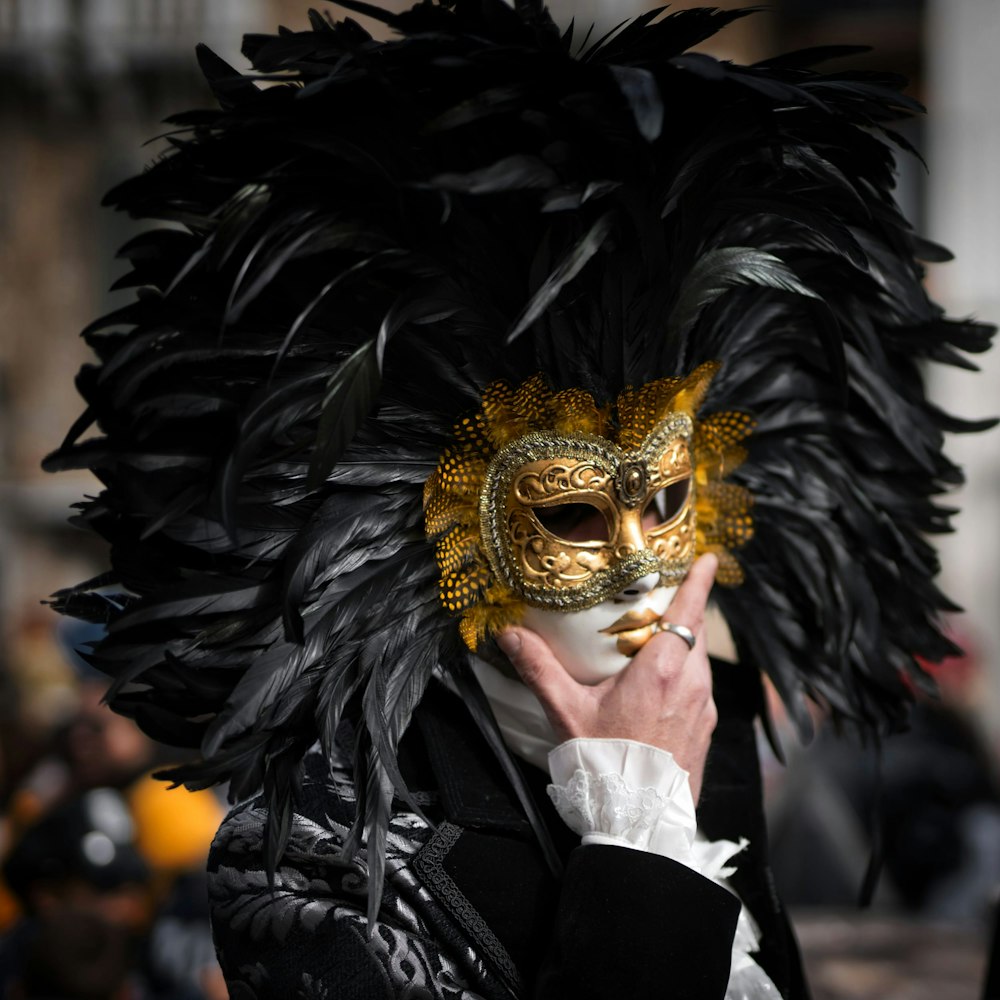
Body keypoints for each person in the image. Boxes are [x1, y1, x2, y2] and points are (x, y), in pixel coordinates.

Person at [43, 2, 994, 997]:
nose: (639, 565)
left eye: (667, 501)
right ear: (452, 530)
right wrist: (638, 844)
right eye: (571, 511)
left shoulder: (707, 743)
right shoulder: (321, 852)